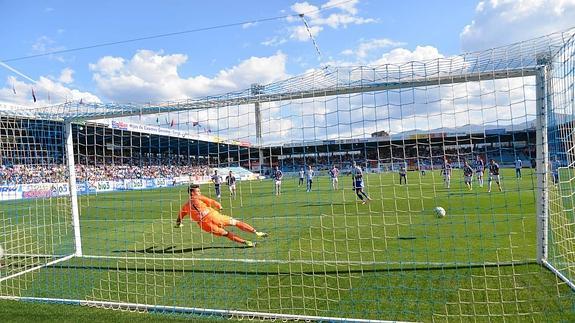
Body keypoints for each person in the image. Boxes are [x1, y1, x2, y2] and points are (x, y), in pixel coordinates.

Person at [175, 184, 268, 247]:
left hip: (205, 225)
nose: (199, 193)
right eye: (198, 191)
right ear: (192, 193)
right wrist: (219, 206)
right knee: (236, 222)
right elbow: (212, 201)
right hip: (214, 217)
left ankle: (247, 243)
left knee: (227, 234)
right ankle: (256, 232)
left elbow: (180, 217)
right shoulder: (197, 197)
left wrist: (178, 224)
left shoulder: (185, 206)